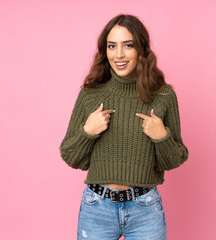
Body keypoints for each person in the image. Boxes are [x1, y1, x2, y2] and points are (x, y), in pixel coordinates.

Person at [59, 14, 189, 240]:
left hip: (145, 208)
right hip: (97, 208)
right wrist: (87, 133)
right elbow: (70, 156)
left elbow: (175, 158)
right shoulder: (91, 94)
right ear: (105, 51)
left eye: (127, 45)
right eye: (112, 46)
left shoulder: (163, 96)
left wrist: (162, 137)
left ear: (141, 50)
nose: (118, 54)